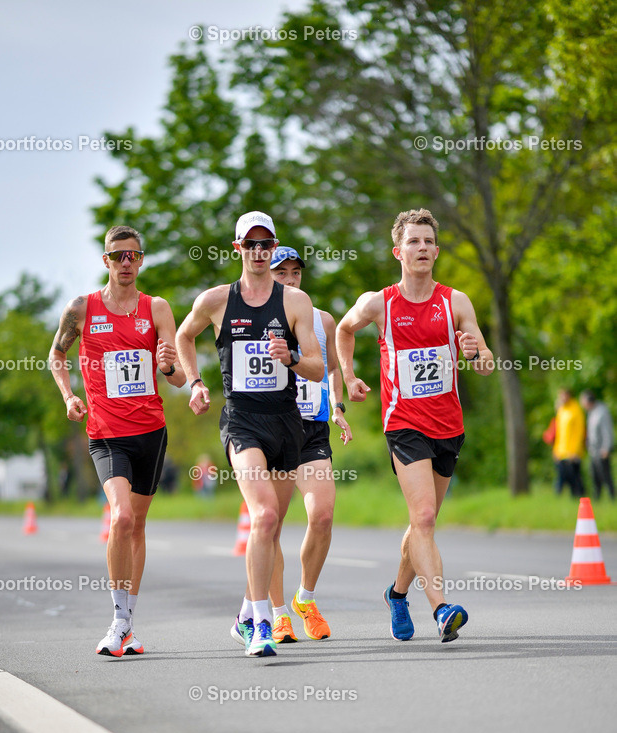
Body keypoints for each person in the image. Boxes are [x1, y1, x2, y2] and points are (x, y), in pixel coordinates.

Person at [336, 207, 494, 643]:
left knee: (422, 523)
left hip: (449, 426)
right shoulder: (379, 302)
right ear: (398, 251)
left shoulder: (455, 302)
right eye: (413, 241)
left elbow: (485, 366)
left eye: (428, 241)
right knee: (423, 515)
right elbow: (344, 330)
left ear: (436, 251)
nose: (422, 247)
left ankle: (397, 593)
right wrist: (348, 376)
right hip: (403, 424)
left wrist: (473, 350)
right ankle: (443, 609)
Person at [175, 212, 324, 657]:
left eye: (266, 245)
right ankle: (261, 623)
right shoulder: (217, 301)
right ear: (237, 248)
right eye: (251, 245)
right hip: (241, 421)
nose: (259, 252)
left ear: (273, 247)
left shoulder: (296, 303)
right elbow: (184, 337)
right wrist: (196, 382)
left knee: (271, 527)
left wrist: (292, 357)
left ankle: (244, 612)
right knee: (261, 517)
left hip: (286, 423)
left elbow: (318, 368)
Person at [49, 225, 186, 657]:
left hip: (151, 431)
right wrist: (69, 396)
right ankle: (118, 620)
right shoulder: (82, 308)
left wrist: (168, 367)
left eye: (134, 256)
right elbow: (57, 355)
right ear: (105, 261)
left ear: (141, 260)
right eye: (118, 256)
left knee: (138, 525)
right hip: (107, 434)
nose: (126, 263)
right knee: (122, 518)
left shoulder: (157, 308)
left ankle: (129, 620)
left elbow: (180, 376)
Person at [267, 245, 352, 643]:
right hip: (269, 430)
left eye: (295, 272)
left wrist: (337, 407)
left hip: (313, 429)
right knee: (271, 525)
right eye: (280, 273)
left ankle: (305, 598)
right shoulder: (256, 319)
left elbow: (332, 369)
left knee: (322, 515)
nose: (289, 279)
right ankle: (278, 614)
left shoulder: (322, 320)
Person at [580, 390, 614, 500]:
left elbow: (606, 431)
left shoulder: (602, 412)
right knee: (595, 476)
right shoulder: (591, 412)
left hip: (602, 450)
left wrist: (606, 448)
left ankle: (612, 497)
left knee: (606, 476)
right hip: (593, 450)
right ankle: (597, 498)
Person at [552, 388, 585, 497]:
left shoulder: (576, 410)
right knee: (562, 477)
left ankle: (580, 498)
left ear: (569, 396)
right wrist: (556, 449)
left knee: (575, 479)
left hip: (572, 452)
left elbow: (579, 432)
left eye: (563, 395)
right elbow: (559, 432)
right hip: (561, 451)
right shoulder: (561, 411)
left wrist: (575, 450)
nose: (561, 398)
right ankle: (560, 499)